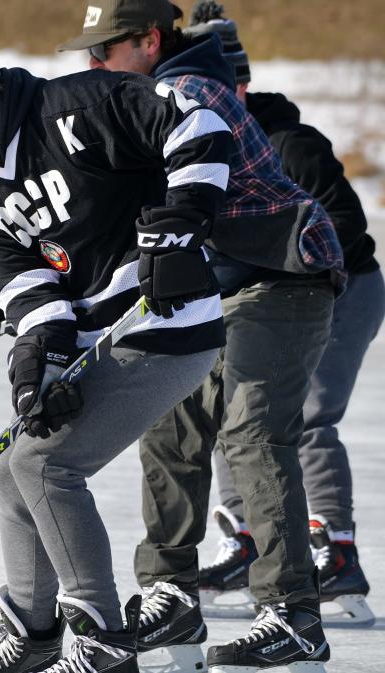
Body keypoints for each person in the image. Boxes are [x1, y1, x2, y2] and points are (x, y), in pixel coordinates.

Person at [0, 10, 234, 673]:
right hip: (96, 340)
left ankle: (104, 640)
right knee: (11, 468)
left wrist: (177, 226)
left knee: (45, 466)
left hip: (166, 321)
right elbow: (27, 287)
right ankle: (33, 634)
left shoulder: (78, 105)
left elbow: (200, 124)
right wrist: (36, 366)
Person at [58, 1, 345, 671]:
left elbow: (175, 197)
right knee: (169, 417)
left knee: (251, 430)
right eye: (89, 53)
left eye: (105, 51)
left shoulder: (188, 93)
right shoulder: (141, 96)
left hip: (282, 272)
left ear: (149, 41)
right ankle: (172, 597)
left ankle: (294, 614)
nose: (93, 64)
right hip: (216, 279)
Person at [182, 0, 382, 628]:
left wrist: (267, 259)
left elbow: (344, 229)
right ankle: (244, 543)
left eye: (226, 85)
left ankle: (336, 555)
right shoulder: (201, 144)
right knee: (230, 413)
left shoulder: (291, 144)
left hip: (339, 292)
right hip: (256, 298)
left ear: (242, 84)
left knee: (307, 420)